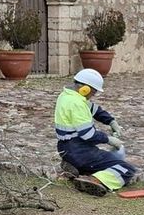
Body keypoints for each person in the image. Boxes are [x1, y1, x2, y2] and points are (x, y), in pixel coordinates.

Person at [53, 68, 136, 196]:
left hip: (66, 149)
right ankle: (94, 180)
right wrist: (110, 140)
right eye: (94, 92)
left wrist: (111, 121)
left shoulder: (66, 96)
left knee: (103, 162)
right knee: (126, 169)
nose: (94, 95)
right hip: (80, 150)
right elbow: (88, 135)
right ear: (85, 89)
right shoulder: (76, 103)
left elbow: (94, 109)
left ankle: (76, 168)